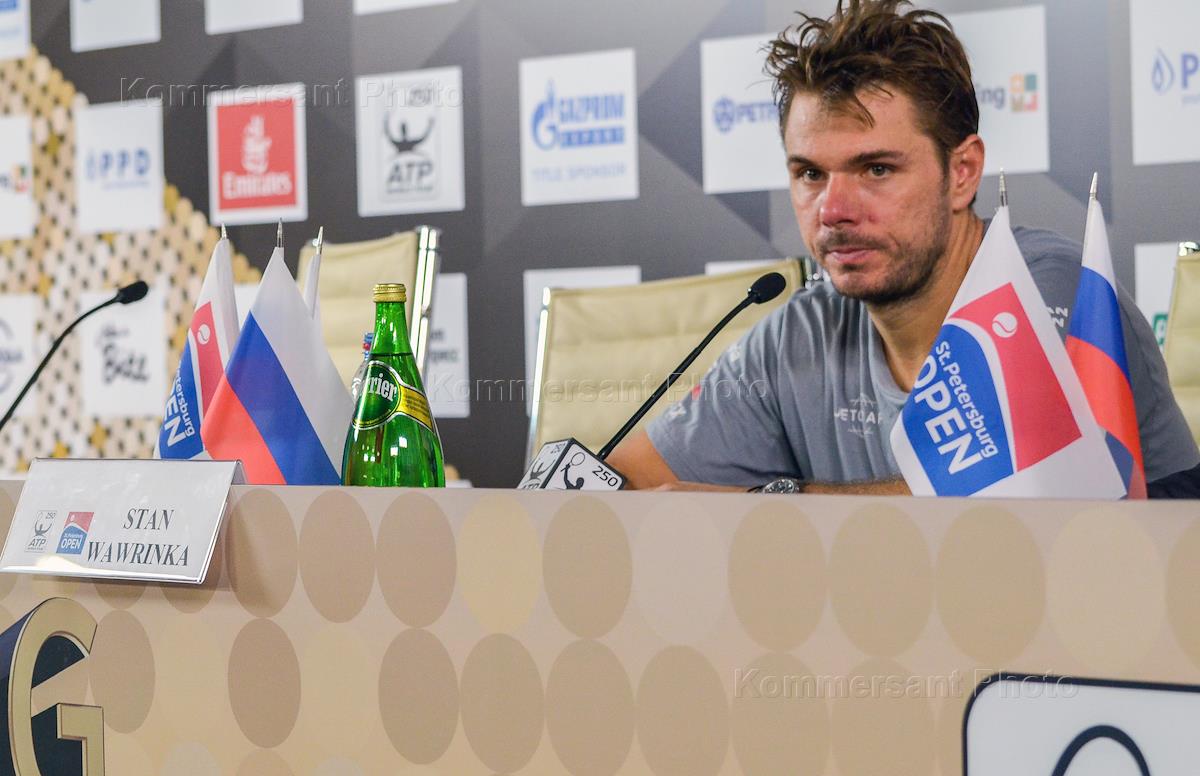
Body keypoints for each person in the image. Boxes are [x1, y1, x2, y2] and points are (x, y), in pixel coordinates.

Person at [607, 0, 1200, 497]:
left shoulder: (1050, 291)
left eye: (877, 169)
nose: (833, 210)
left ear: (962, 173)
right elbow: (627, 487)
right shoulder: (798, 337)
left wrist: (769, 502)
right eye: (810, 174)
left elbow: (1000, 505)